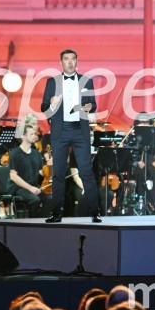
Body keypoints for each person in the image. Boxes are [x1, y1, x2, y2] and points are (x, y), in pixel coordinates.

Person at [41, 49, 101, 223]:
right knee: (58, 173)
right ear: (61, 63)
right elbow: (44, 107)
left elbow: (93, 104)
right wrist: (50, 103)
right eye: (66, 59)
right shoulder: (52, 82)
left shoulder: (86, 81)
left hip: (80, 130)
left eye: (73, 59)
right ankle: (56, 213)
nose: (69, 62)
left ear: (77, 62)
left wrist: (90, 107)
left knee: (86, 172)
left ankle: (95, 211)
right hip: (60, 130)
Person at [7, 125, 49, 216]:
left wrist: (49, 168)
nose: (35, 136)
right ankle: (31, 224)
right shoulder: (15, 153)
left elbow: (40, 172)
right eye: (31, 134)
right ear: (23, 136)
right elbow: (13, 176)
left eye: (35, 134)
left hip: (33, 185)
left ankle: (40, 222)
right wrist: (30, 188)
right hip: (18, 187)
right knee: (35, 199)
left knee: (50, 199)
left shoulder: (36, 153)